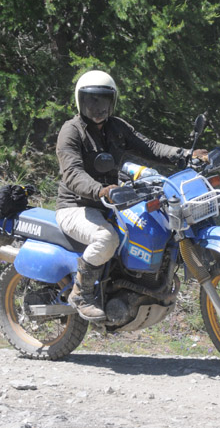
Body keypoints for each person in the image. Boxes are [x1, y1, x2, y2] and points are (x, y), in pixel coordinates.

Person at [55, 70, 208, 322]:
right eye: (91, 100)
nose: (98, 108)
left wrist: (185, 155)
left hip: (111, 203)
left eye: (104, 101)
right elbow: (72, 174)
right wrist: (100, 190)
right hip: (76, 207)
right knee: (106, 238)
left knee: (149, 228)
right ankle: (81, 294)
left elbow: (151, 147)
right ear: (80, 101)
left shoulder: (116, 127)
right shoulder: (71, 131)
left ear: (112, 101)